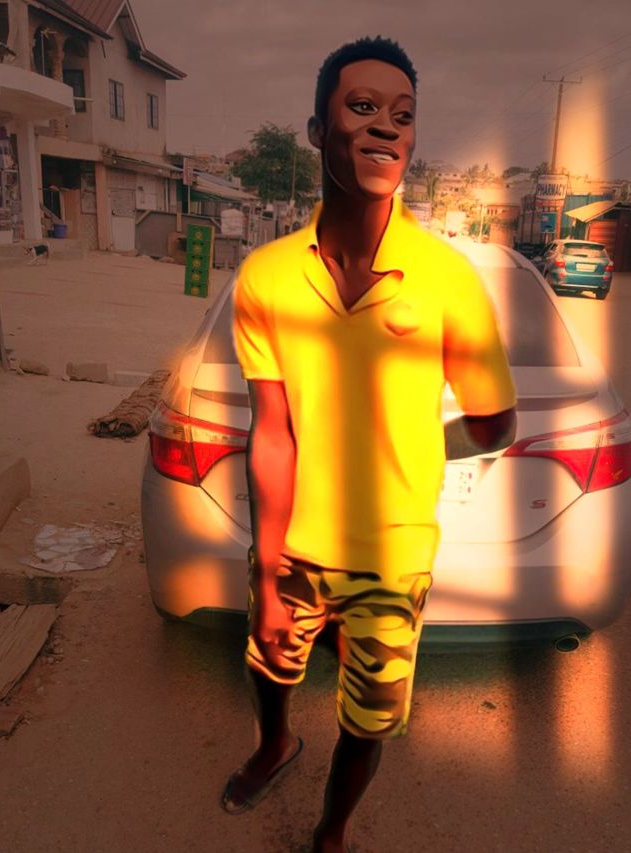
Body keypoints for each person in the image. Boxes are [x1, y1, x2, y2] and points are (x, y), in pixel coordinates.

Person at [223, 36, 517, 853]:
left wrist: (419, 440)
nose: (386, 126)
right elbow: (271, 429)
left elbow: (497, 421)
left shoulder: (448, 278)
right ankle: (274, 744)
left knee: (369, 717)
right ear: (318, 131)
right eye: (362, 108)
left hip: (394, 555)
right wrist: (268, 570)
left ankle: (331, 832)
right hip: (295, 543)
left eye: (403, 115)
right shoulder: (266, 277)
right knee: (268, 661)